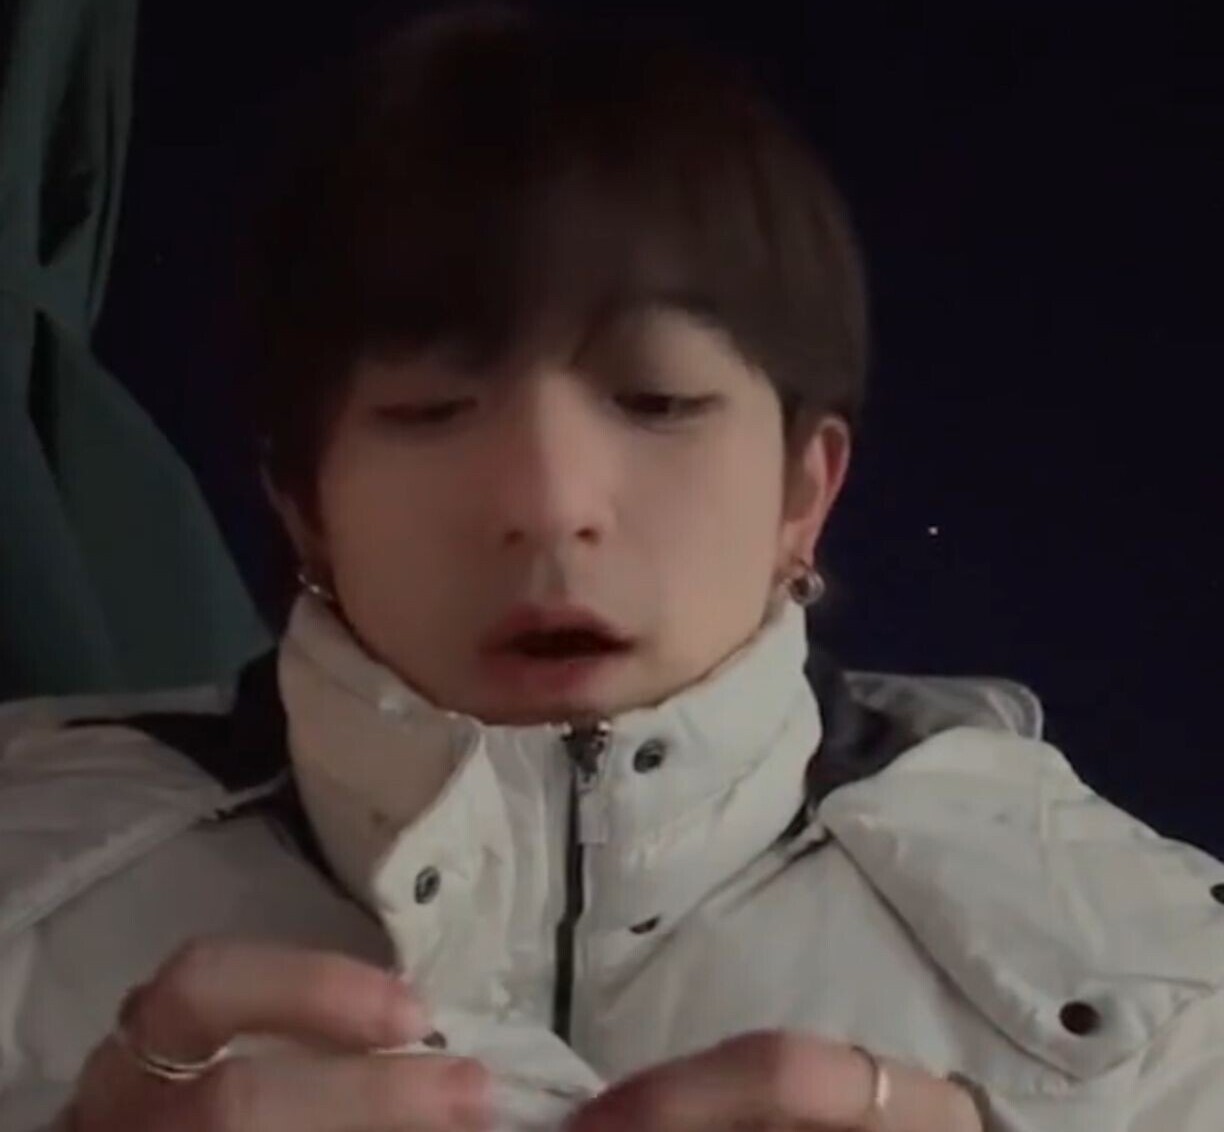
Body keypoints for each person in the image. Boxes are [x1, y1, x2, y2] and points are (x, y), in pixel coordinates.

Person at [2, 5, 1222, 1131]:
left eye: (658, 400)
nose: (548, 507)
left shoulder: (1169, 994)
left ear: (804, 492)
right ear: (303, 504)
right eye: (431, 410)